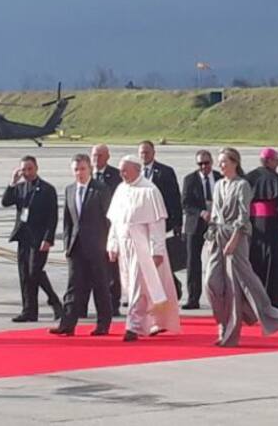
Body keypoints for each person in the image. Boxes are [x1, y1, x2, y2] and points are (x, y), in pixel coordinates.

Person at [205, 147, 278, 347]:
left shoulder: (242, 185)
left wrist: (234, 239)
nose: (221, 165)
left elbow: (243, 217)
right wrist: (210, 238)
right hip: (217, 237)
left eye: (224, 161)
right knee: (212, 283)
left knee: (234, 286)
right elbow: (215, 214)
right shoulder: (218, 185)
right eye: (220, 161)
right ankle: (231, 318)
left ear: (234, 162)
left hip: (236, 237)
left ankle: (230, 332)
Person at [107, 155, 181, 341]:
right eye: (121, 170)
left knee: (139, 287)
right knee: (131, 285)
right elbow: (115, 222)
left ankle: (133, 327)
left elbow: (157, 224)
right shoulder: (121, 189)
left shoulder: (150, 190)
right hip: (125, 245)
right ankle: (147, 321)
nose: (121, 174)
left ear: (136, 170)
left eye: (125, 170)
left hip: (142, 246)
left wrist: (157, 250)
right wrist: (112, 244)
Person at [51, 154, 113, 336]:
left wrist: (109, 244)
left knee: (100, 286)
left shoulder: (101, 190)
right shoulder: (70, 190)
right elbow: (68, 221)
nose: (79, 173)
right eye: (76, 169)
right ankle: (67, 324)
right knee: (73, 286)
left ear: (90, 170)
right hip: (76, 247)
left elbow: (109, 220)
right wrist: (67, 245)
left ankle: (103, 324)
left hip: (97, 246)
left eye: (83, 169)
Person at [1, 155, 63, 322]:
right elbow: (6, 202)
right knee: (24, 274)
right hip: (23, 236)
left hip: (39, 237)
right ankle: (29, 310)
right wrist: (12, 182)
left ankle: (54, 301)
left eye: (29, 169)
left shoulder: (47, 189)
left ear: (36, 169)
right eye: (24, 170)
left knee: (34, 271)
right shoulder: (20, 188)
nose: (27, 172)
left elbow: (52, 216)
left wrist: (48, 238)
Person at [244, 148, 278, 309]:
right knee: (274, 260)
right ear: (269, 161)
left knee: (255, 259)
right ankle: (274, 298)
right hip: (272, 223)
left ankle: (254, 297)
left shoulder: (249, 177)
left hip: (254, 223)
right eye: (276, 160)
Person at [138, 140, 183, 297]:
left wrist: (177, 223)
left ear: (153, 153)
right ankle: (144, 291)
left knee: (160, 257)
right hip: (141, 223)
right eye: (142, 153)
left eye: (147, 152)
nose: (144, 155)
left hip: (160, 222)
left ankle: (174, 286)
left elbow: (174, 198)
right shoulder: (136, 173)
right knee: (143, 259)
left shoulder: (165, 172)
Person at [180, 149, 219, 309]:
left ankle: (219, 296)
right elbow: (185, 203)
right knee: (193, 261)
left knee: (218, 261)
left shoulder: (219, 178)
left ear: (212, 162)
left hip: (215, 223)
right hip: (195, 224)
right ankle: (193, 298)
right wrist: (200, 212)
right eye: (200, 164)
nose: (204, 167)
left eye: (206, 163)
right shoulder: (190, 179)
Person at [91, 144, 123, 312]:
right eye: (94, 155)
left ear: (107, 157)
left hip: (110, 229)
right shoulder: (87, 174)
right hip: (92, 231)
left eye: (100, 155)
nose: (96, 159)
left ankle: (113, 303)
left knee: (112, 270)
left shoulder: (116, 176)